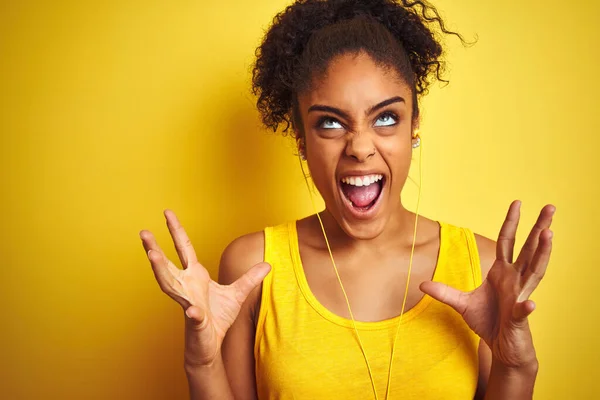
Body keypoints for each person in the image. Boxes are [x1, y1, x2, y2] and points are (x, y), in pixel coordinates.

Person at [139, 0, 555, 398]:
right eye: (331, 123)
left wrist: (515, 367)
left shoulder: (478, 267)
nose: (360, 147)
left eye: (386, 118)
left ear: (414, 126)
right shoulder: (253, 269)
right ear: (301, 139)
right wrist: (202, 363)